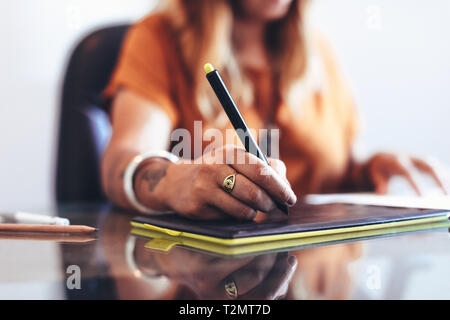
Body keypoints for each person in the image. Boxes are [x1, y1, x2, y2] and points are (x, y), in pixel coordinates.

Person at [101, 0, 447, 220]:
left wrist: (369, 169)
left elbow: (336, 172)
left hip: (316, 275)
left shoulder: (317, 49)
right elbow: (122, 160)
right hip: (211, 279)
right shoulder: (159, 38)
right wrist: (174, 180)